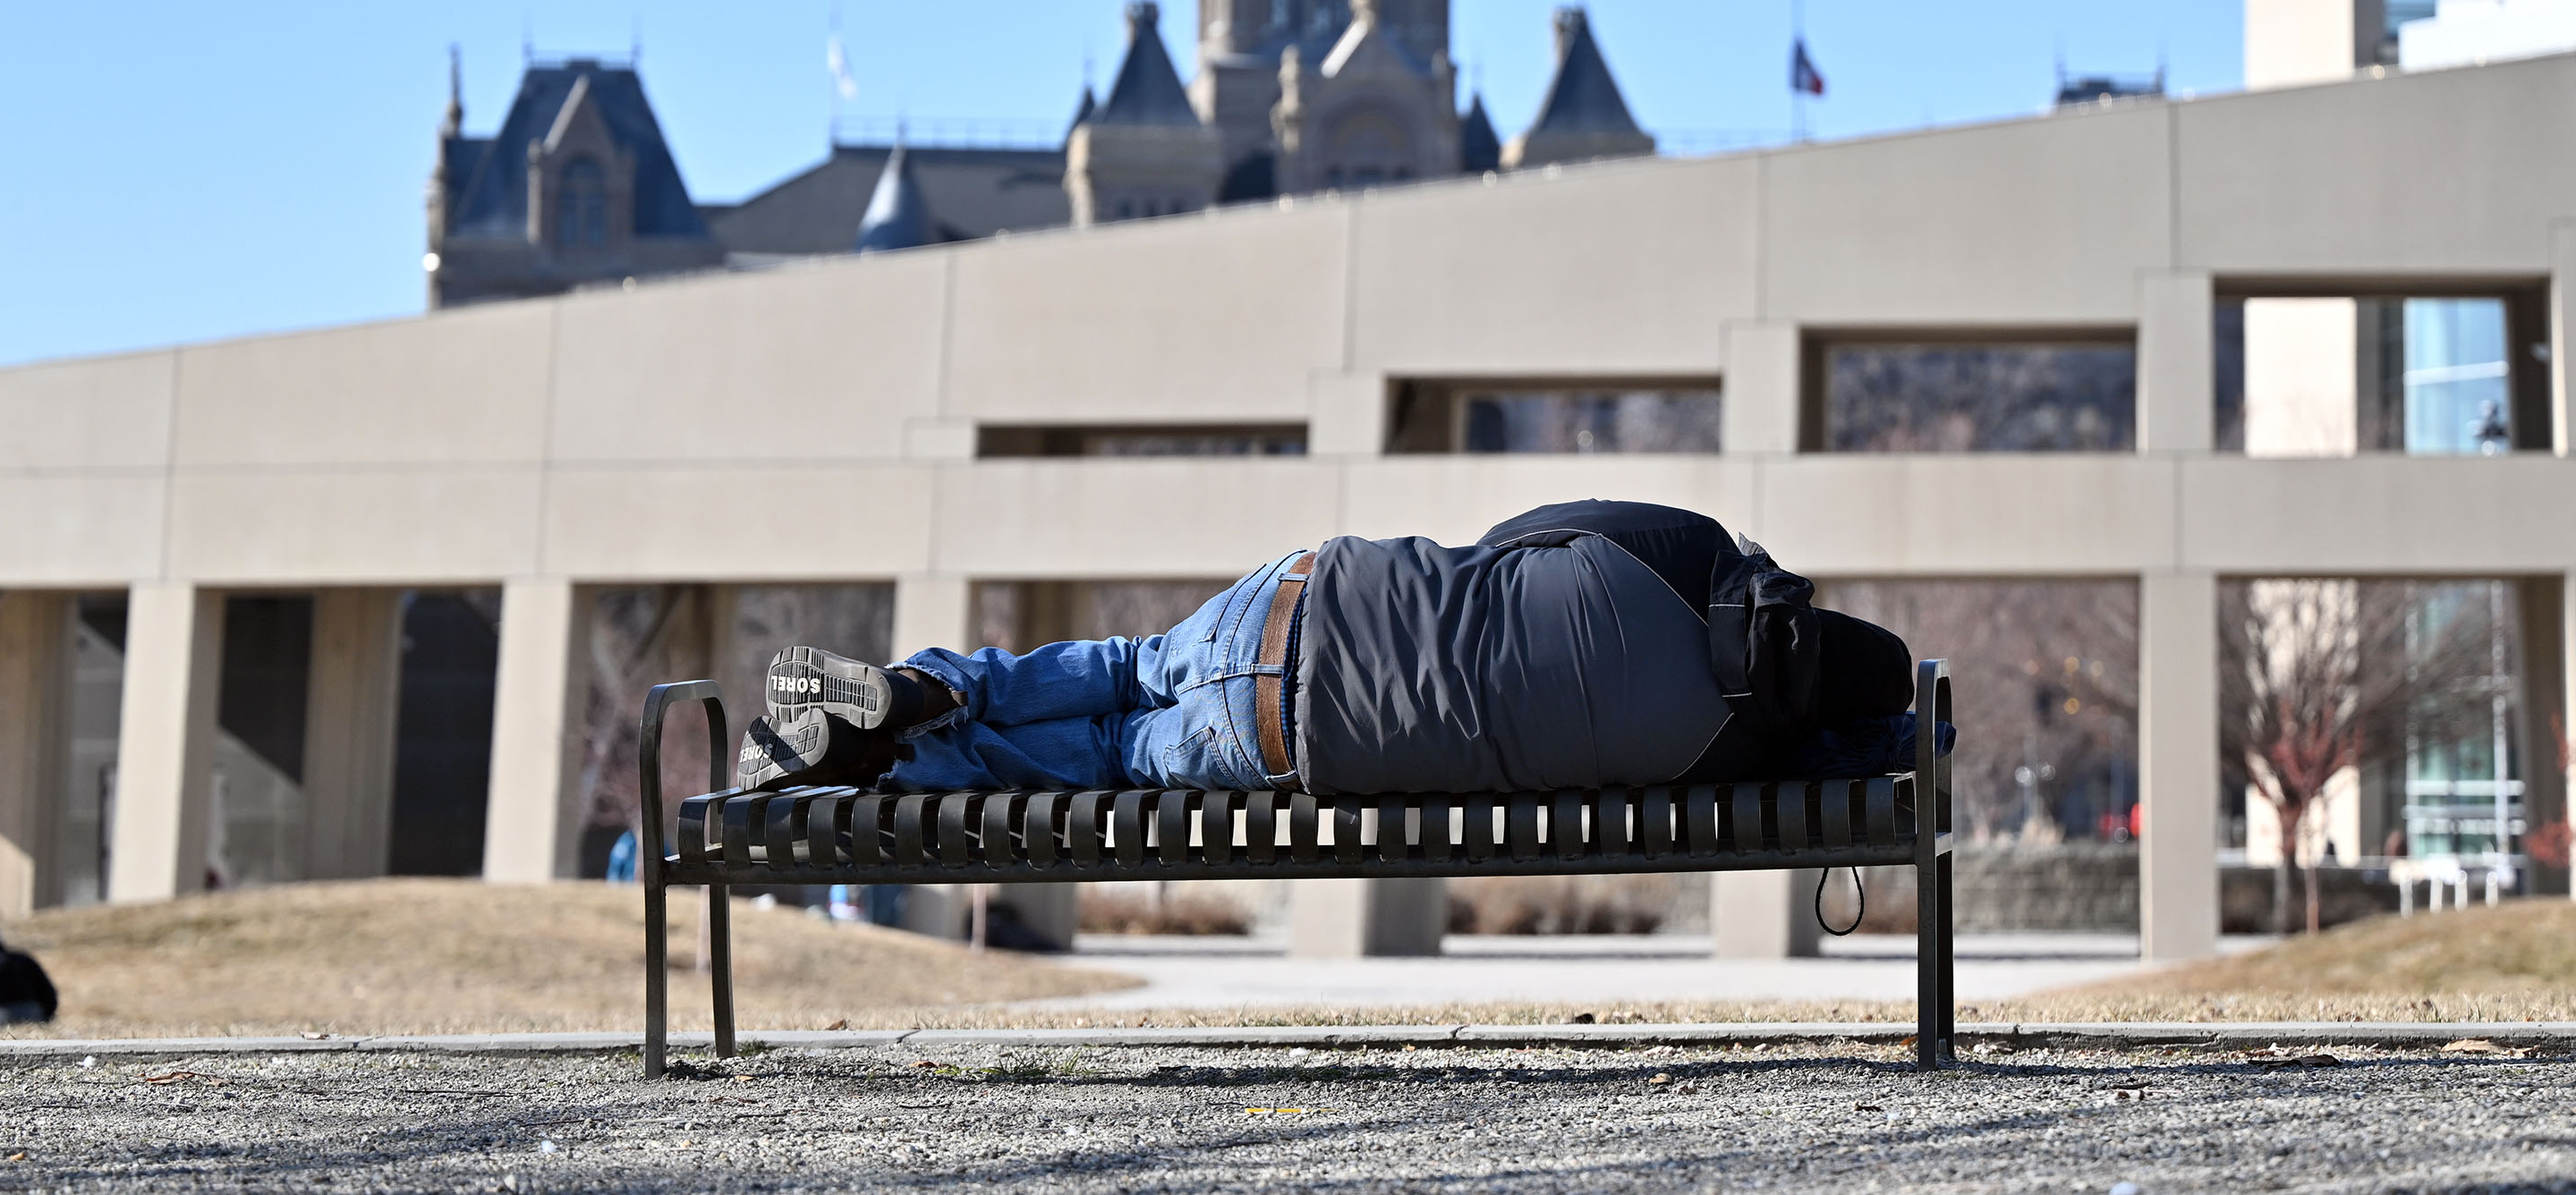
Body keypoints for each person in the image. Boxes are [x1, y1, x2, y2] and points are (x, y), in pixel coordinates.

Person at [738, 499, 1935, 797]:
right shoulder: (1720, 756)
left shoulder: (1682, 549)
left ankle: (920, 689)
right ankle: (887, 764)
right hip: (1300, 738)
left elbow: (1509, 539)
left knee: (1123, 662)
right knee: (1110, 752)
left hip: (1308, 602)